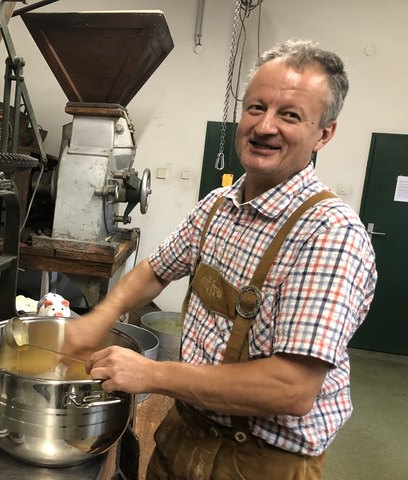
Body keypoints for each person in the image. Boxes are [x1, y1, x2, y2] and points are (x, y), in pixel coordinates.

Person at [64, 39, 377, 479]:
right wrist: (101, 316)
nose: (265, 126)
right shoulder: (217, 206)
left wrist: (152, 375)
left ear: (324, 133)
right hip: (184, 433)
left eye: (289, 115)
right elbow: (155, 271)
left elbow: (291, 388)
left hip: (259, 462)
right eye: (256, 108)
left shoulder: (329, 234)